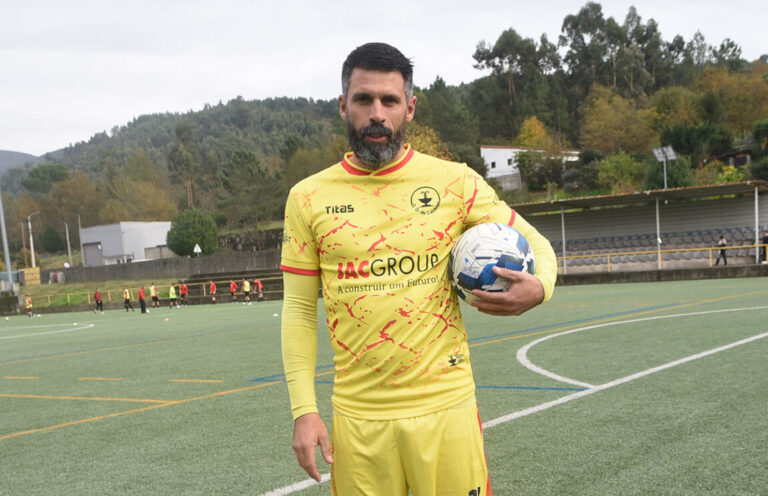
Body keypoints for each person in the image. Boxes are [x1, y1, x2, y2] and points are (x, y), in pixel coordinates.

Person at [280, 43, 557, 496]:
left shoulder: (455, 182)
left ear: (409, 108)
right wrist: (303, 410)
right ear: (343, 106)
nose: (377, 114)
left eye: (389, 101)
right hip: (359, 420)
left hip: (446, 408)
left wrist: (540, 287)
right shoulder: (307, 198)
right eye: (363, 99)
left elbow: (538, 244)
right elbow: (297, 311)